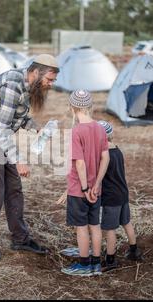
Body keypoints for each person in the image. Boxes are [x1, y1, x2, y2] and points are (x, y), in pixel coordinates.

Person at [0, 54, 59, 260]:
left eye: (53, 81)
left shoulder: (26, 86)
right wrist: (18, 160)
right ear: (35, 72)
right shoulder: (12, 83)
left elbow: (20, 117)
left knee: (14, 188)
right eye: (49, 79)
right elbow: (3, 128)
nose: (50, 85)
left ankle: (20, 239)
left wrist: (37, 129)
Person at [59, 90, 110, 277]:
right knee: (94, 225)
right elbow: (105, 158)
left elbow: (79, 163)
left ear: (72, 107)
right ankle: (96, 264)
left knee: (81, 227)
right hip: (96, 189)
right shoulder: (100, 128)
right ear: (89, 106)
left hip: (79, 190)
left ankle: (84, 264)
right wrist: (96, 184)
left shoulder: (76, 131)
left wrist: (85, 188)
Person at [97, 120, 142, 271]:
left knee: (109, 229)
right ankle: (134, 250)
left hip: (111, 198)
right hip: (123, 193)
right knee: (126, 222)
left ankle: (110, 260)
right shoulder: (117, 150)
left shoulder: (104, 156)